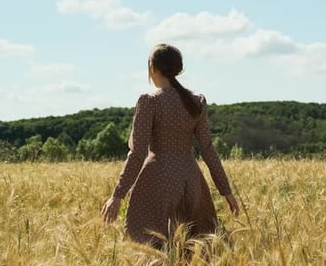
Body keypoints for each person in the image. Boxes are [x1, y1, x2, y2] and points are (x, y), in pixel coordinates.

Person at [101, 43, 239, 248]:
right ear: (177, 69)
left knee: (154, 248)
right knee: (192, 248)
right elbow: (208, 149)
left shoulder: (149, 102)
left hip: (157, 181)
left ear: (152, 68)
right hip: (191, 180)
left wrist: (117, 195)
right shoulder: (196, 102)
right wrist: (226, 192)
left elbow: (138, 153)